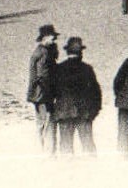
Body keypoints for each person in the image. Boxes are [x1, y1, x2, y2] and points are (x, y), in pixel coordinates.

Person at [51, 37, 102, 156]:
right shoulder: (87, 69)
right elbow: (96, 92)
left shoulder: (59, 68)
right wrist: (94, 111)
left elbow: (51, 91)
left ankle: (67, 166)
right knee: (88, 144)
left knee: (65, 146)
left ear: (67, 52)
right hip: (84, 113)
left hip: (64, 112)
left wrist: (55, 110)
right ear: (81, 53)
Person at [27, 23, 59, 153]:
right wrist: (53, 92)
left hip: (37, 93)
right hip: (44, 93)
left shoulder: (39, 51)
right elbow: (43, 75)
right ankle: (49, 152)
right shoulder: (45, 53)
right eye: (52, 37)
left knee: (40, 122)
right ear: (45, 37)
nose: (54, 40)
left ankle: (40, 149)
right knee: (49, 122)